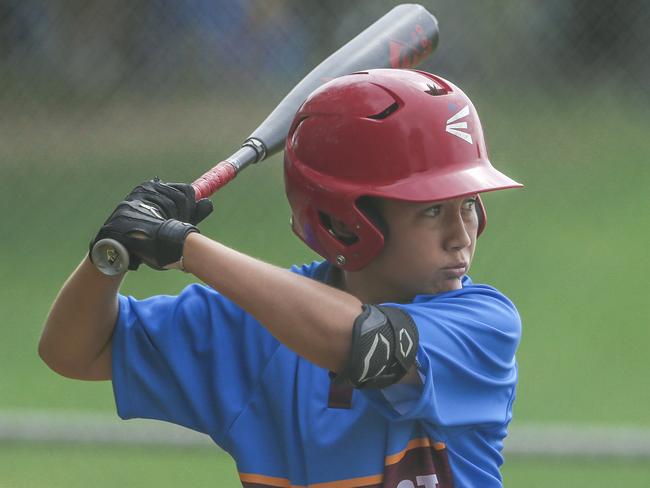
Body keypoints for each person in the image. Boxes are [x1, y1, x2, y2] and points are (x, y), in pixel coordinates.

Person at [40, 69, 523, 488]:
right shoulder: (250, 326)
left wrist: (186, 247)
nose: (463, 234)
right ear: (343, 223)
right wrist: (111, 255)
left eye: (468, 205)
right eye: (433, 210)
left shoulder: (482, 325)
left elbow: (367, 342)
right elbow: (73, 350)